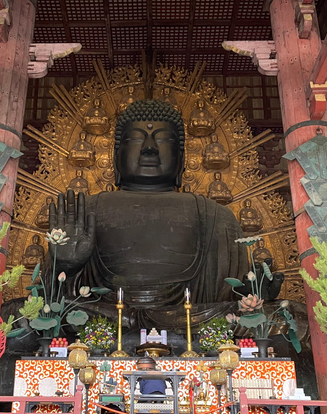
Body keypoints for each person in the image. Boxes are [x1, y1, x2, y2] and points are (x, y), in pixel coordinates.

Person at [48, 99, 249, 328]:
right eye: (135, 138)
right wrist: (64, 265)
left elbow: (236, 296)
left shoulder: (216, 216)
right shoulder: (85, 211)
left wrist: (256, 292)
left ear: (182, 158)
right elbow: (49, 298)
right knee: (20, 314)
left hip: (191, 320)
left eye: (164, 139)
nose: (149, 147)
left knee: (284, 315)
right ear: (115, 157)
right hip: (104, 318)